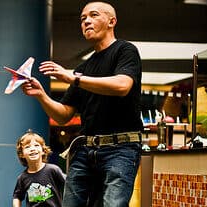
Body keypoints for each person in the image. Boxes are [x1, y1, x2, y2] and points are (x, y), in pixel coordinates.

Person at [21, 1, 143, 206]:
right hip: (85, 151)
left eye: (93, 15)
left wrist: (72, 78)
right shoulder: (84, 67)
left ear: (112, 21)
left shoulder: (125, 50)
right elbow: (63, 115)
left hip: (121, 149)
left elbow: (123, 85)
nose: (86, 21)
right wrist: (41, 95)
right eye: (82, 18)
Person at [12, 129, 66, 207]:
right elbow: (17, 197)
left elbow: (69, 186)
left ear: (43, 150)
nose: (32, 149)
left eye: (36, 145)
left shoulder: (53, 170)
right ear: (22, 154)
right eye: (27, 147)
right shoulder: (22, 178)